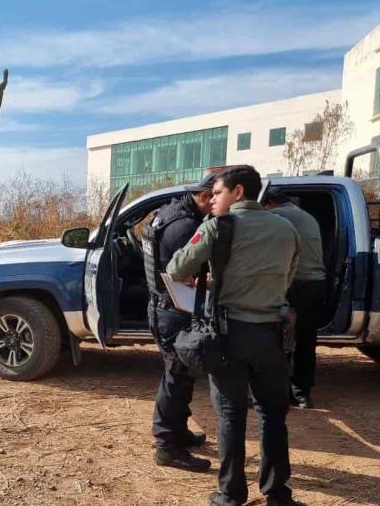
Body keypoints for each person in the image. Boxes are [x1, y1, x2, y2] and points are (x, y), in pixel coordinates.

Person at [167, 165, 304, 506]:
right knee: (273, 415)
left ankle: (231, 494)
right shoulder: (287, 228)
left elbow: (175, 268)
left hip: (229, 336)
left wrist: (213, 281)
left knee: (230, 415)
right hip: (272, 335)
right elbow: (287, 278)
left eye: (217, 192)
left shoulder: (218, 227)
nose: (211, 199)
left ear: (238, 192)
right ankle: (277, 494)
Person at [142, 173, 216, 472]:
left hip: (163, 306)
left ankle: (178, 432)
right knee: (176, 375)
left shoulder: (168, 212)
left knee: (181, 375)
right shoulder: (187, 226)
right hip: (173, 309)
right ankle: (167, 447)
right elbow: (185, 273)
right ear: (206, 196)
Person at [263, 189, 327, 409]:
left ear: (269, 203)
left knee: (279, 340)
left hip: (294, 284)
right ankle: (302, 394)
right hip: (316, 283)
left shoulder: (277, 216)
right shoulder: (305, 215)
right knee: (306, 340)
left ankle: (279, 392)